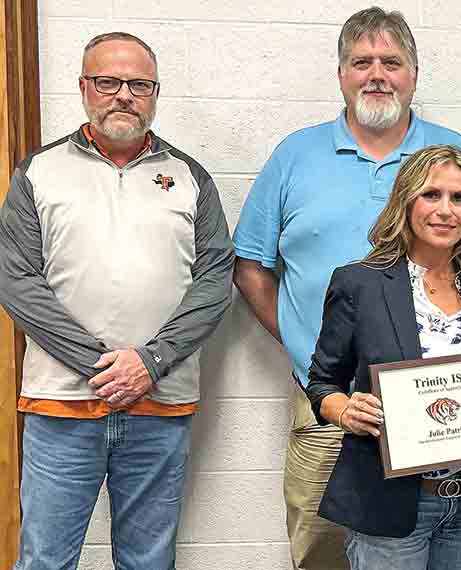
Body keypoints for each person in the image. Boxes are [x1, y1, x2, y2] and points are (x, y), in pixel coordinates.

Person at [232, 8, 461, 569]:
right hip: (330, 403)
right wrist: (307, 346)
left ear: (414, 75)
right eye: (362, 62)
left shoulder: (454, 155)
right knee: (323, 551)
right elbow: (250, 264)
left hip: (445, 410)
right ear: (342, 75)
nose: (377, 74)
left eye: (392, 62)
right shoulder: (295, 156)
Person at [0, 32, 234, 569]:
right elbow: (17, 281)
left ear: (155, 93)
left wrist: (148, 363)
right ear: (84, 88)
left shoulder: (189, 177)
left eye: (138, 84)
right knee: (44, 560)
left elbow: (216, 278)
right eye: (108, 82)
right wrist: (103, 366)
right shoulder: (39, 172)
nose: (123, 95)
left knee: (148, 562)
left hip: (161, 405)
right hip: (62, 406)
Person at [304, 144, 461, 570]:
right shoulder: (360, 284)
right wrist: (345, 411)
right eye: (431, 195)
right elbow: (322, 383)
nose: (446, 210)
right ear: (406, 201)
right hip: (391, 504)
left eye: (459, 198)